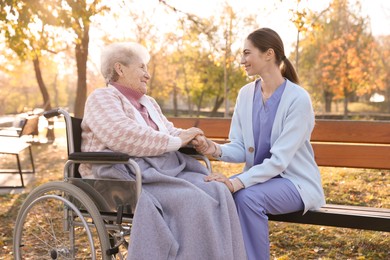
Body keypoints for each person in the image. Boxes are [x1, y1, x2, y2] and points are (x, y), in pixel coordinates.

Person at [80, 42, 247, 259]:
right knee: (193, 201)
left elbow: (168, 131)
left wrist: (190, 136)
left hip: (159, 170)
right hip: (123, 176)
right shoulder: (102, 98)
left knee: (219, 190)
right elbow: (123, 135)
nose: (147, 75)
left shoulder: (148, 102)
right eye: (142, 68)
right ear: (120, 69)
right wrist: (177, 141)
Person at [192, 28, 326, 260]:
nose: (242, 60)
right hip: (260, 181)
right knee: (218, 193)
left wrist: (235, 183)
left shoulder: (298, 99)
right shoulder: (245, 94)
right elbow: (241, 147)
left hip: (295, 183)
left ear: (268, 54)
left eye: (247, 53)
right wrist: (212, 148)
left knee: (245, 197)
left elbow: (279, 161)